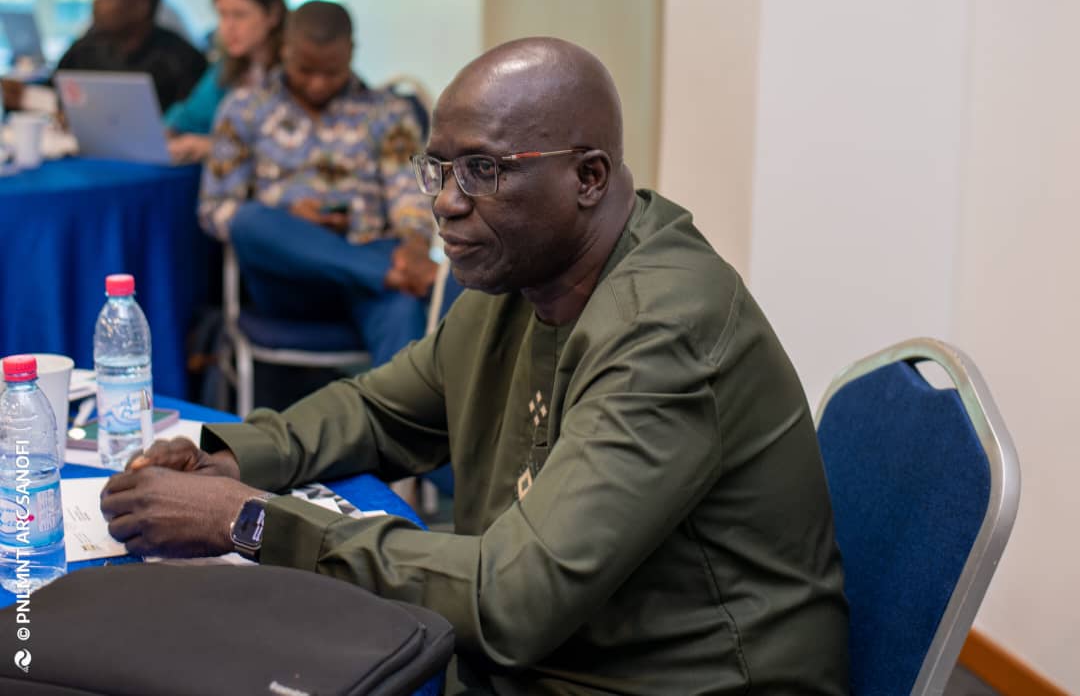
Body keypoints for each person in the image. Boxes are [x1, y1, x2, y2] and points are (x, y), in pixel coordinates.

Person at [101, 37, 850, 694]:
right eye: (438, 170)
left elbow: (515, 600)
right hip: (551, 656)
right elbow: (380, 411)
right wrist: (233, 458)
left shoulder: (665, 327)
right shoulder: (525, 273)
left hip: (666, 680)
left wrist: (246, 521)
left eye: (483, 170)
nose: (447, 203)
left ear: (589, 178)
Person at [197, 0, 436, 368]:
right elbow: (214, 209)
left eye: (332, 72)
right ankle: (384, 271)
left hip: (369, 276)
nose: (317, 83)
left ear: (351, 52)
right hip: (290, 280)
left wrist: (416, 247)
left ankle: (403, 412)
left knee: (402, 307)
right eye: (305, 70)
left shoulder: (387, 112)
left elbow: (410, 197)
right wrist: (290, 217)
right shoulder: (244, 108)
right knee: (249, 221)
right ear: (285, 49)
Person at [1, 0, 206, 113]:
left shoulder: (182, 60)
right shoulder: (86, 48)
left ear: (141, 5)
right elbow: (55, 93)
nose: (97, 3)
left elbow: (190, 122)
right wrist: (23, 95)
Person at [165, 0, 286, 164]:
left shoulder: (296, 72)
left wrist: (212, 146)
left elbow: (288, 145)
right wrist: (169, 131)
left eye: (239, 15)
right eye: (222, 15)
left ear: (273, 14)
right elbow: (189, 118)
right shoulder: (226, 69)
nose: (227, 27)